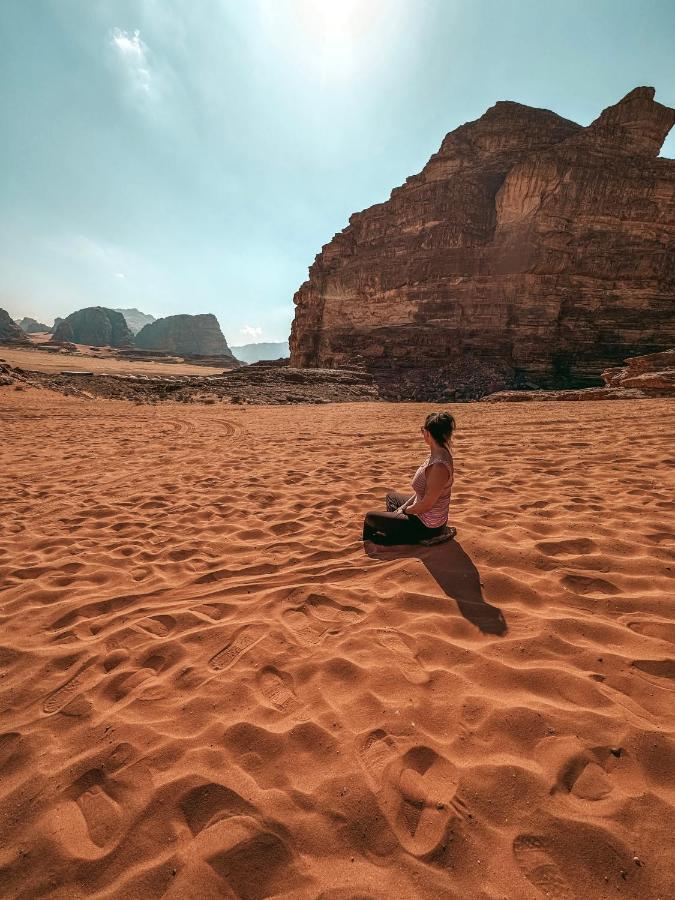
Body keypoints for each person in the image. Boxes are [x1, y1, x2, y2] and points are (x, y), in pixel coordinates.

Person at [362, 411, 456, 546]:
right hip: (424, 515)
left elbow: (426, 505)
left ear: (428, 433)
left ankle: (375, 544)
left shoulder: (439, 467)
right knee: (392, 497)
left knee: (370, 518)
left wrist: (405, 511)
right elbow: (421, 494)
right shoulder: (439, 452)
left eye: (423, 430)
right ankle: (397, 529)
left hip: (428, 526)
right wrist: (403, 508)